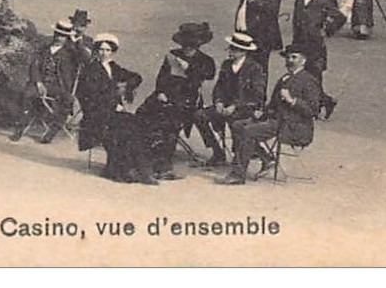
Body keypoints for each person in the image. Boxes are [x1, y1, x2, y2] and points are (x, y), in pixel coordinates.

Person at [220, 43, 322, 185]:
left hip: (293, 125)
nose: (290, 60)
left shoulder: (309, 81)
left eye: (294, 57)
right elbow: (273, 104)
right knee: (237, 125)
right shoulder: (285, 78)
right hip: (276, 121)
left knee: (248, 131)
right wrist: (261, 113)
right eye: (288, 57)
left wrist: (292, 101)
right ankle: (267, 159)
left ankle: (238, 174)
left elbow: (313, 110)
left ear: (303, 61)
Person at [138, 21, 217, 179]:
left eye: (191, 46)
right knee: (143, 111)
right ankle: (144, 148)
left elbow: (209, 74)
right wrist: (160, 91)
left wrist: (189, 68)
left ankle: (164, 162)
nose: (187, 49)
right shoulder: (173, 54)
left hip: (187, 99)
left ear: (198, 46)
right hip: (166, 94)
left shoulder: (205, 60)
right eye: (185, 45)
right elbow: (162, 76)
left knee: (171, 122)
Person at [74, 34, 155, 184]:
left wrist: (125, 87)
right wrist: (113, 104)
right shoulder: (90, 69)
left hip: (112, 112)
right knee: (125, 125)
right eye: (101, 49)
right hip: (95, 114)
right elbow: (91, 96)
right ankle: (121, 170)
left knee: (134, 123)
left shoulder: (114, 67)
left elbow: (137, 77)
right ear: (96, 51)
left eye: (108, 50)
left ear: (112, 52)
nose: (104, 53)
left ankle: (137, 169)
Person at [202, 31, 267, 167]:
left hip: (245, 108)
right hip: (225, 107)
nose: (230, 51)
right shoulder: (226, 65)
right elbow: (219, 87)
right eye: (230, 48)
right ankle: (217, 152)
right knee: (199, 116)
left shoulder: (255, 68)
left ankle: (261, 155)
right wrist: (219, 102)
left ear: (244, 51)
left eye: (234, 49)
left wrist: (235, 106)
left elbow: (257, 95)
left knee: (237, 123)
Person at [11, 20, 79, 144]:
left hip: (59, 87)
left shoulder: (71, 53)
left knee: (67, 100)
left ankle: (52, 131)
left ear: (67, 37)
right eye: (58, 34)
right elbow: (34, 66)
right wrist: (38, 82)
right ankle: (20, 128)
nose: (59, 38)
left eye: (63, 36)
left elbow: (86, 58)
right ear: (54, 34)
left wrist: (77, 41)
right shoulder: (44, 49)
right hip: (41, 84)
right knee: (27, 94)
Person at [291, 0, 345, 119]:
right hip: (301, 45)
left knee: (314, 77)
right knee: (303, 76)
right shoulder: (299, 1)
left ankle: (318, 105)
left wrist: (327, 30)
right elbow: (296, 24)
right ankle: (325, 102)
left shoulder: (322, 2)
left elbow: (340, 17)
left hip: (315, 47)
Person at [233, 0, 282, 70]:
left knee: (259, 66)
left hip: (260, 36)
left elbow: (272, 11)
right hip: (244, 33)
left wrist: (255, 2)